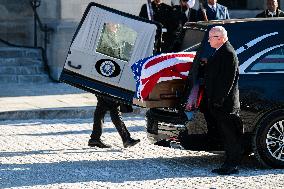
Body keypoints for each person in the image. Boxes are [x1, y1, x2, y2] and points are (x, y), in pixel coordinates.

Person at [203, 26, 243, 175]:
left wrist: (217, 101)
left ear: (219, 38)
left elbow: (227, 80)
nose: (208, 40)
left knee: (230, 136)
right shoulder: (220, 51)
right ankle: (228, 163)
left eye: (210, 37)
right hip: (220, 103)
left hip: (225, 104)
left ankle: (232, 165)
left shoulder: (227, 52)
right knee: (226, 135)